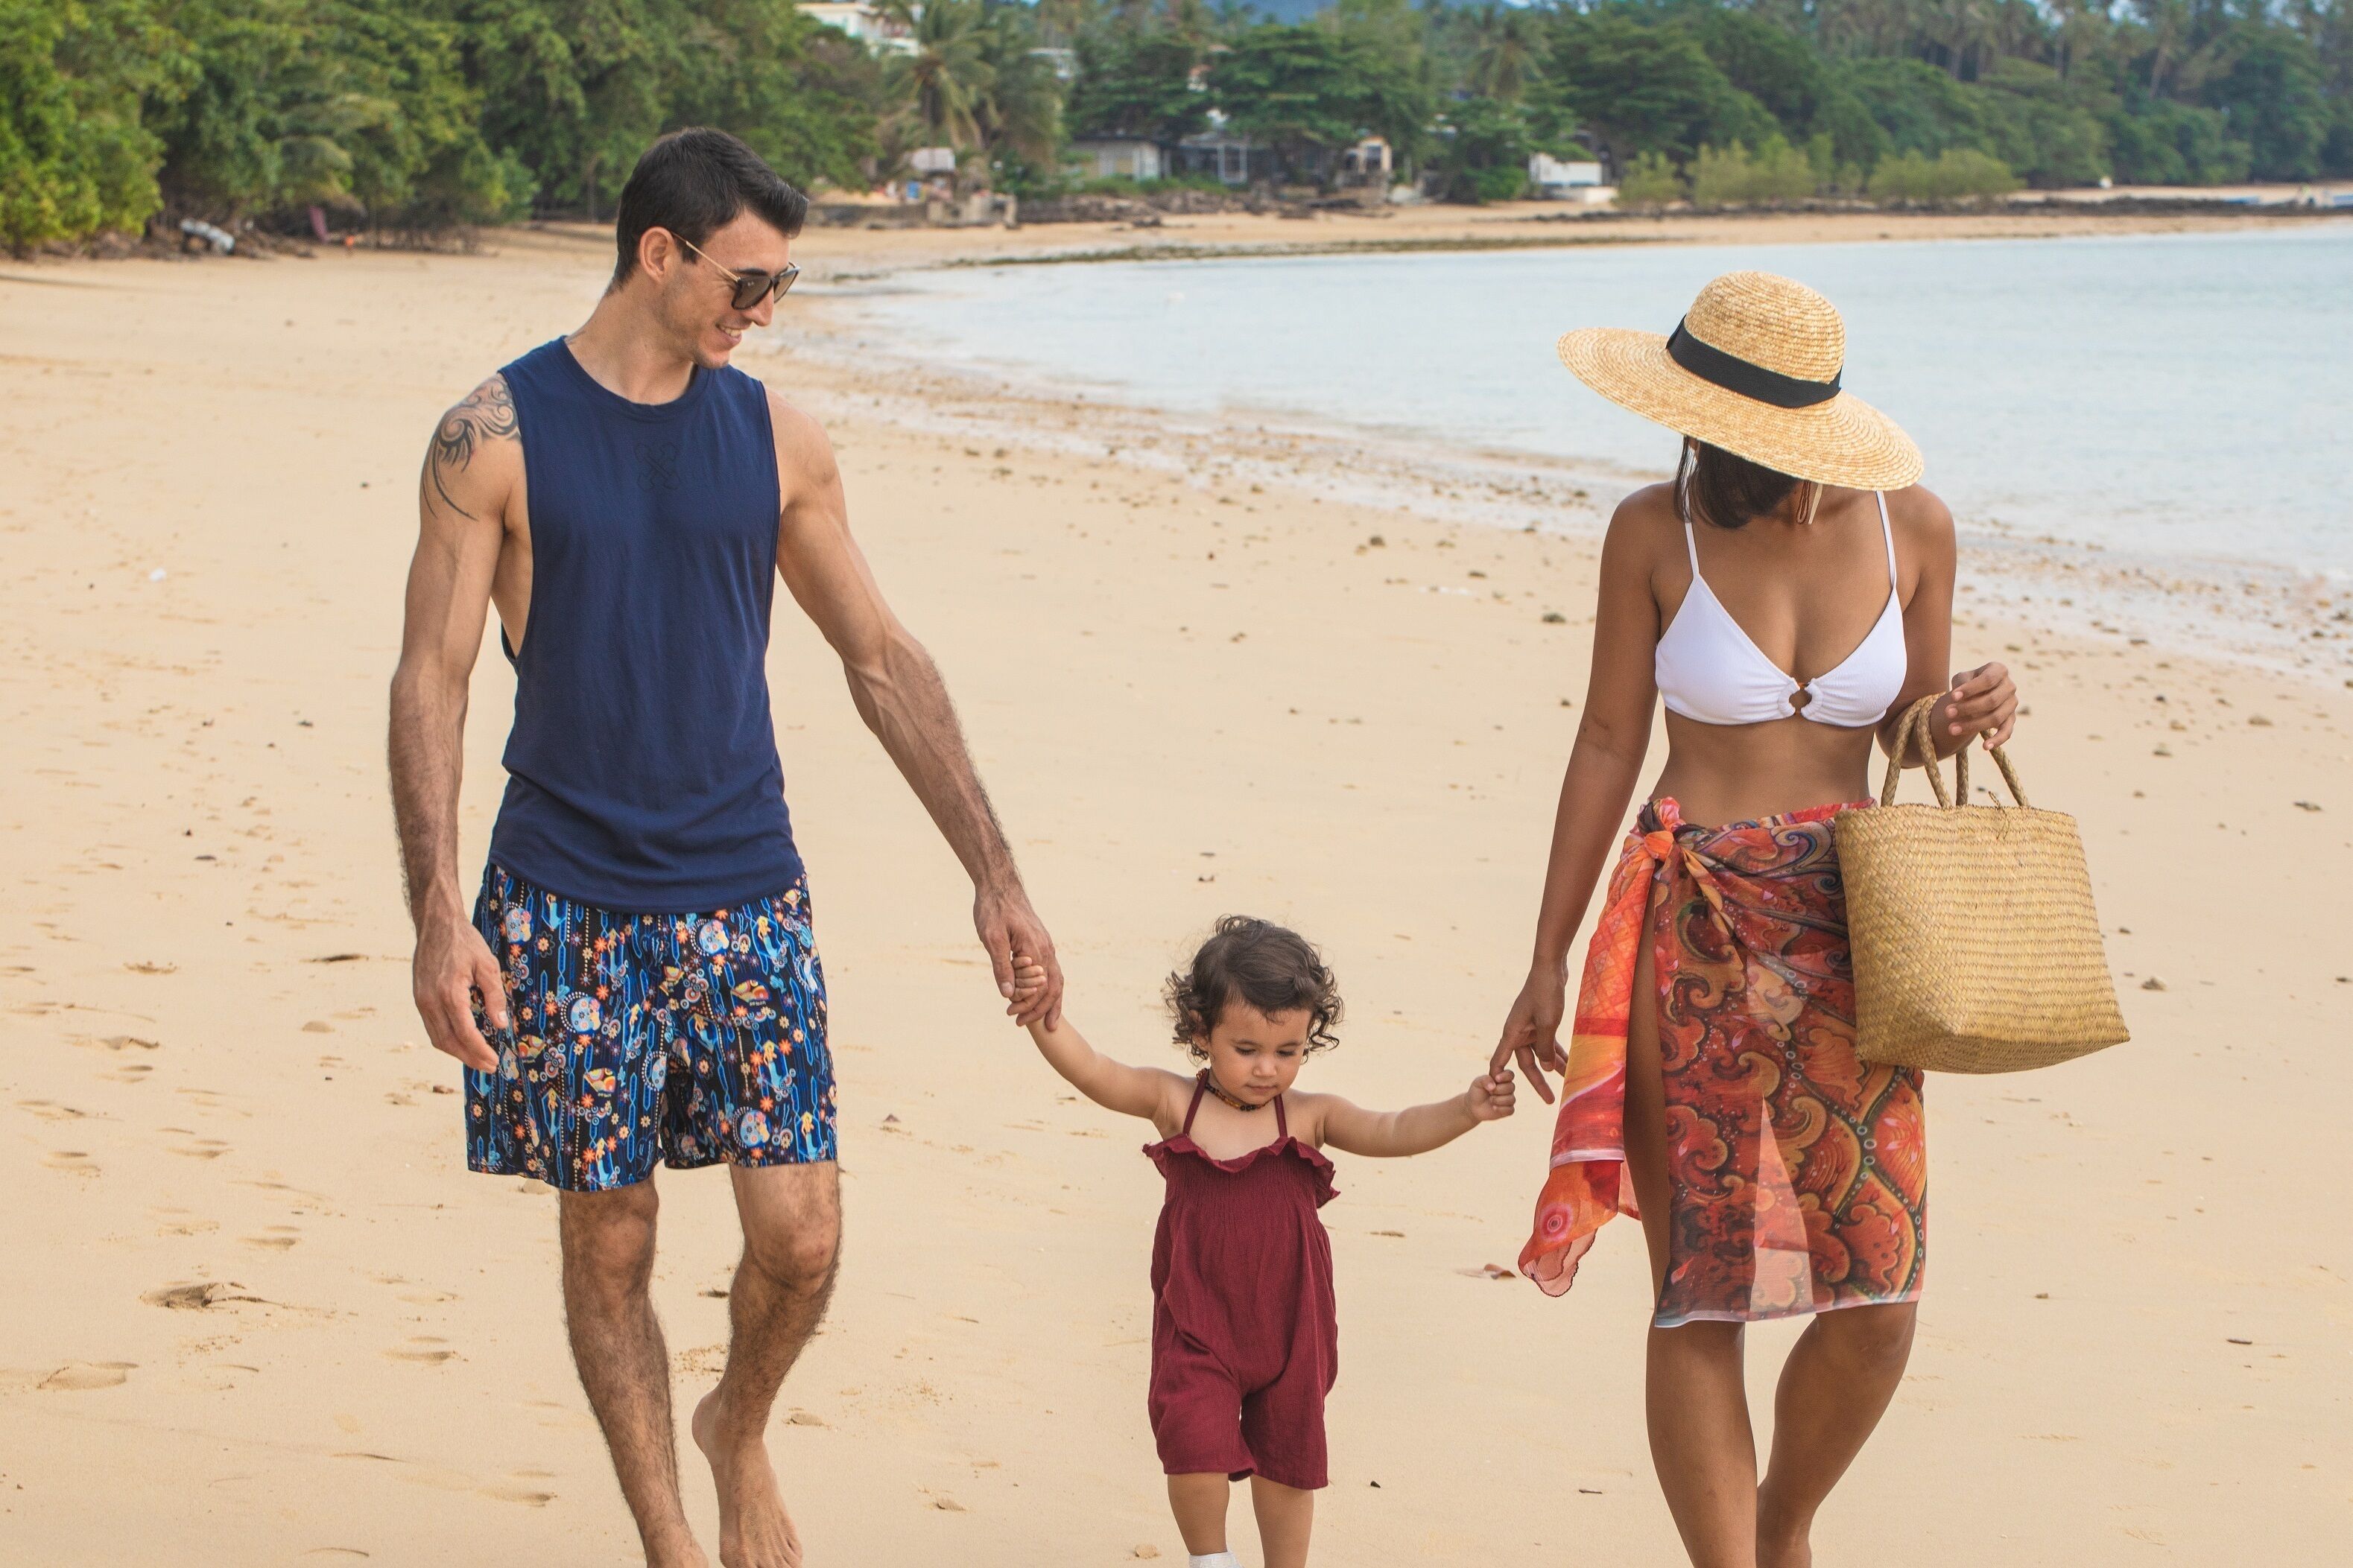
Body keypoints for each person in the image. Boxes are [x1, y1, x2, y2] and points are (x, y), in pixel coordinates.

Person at [386, 127, 1063, 1568]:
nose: (763, 314)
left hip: (745, 887)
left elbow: (878, 658)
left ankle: (735, 1426)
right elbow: (430, 679)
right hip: (562, 900)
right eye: (748, 284)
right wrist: (438, 912)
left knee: (802, 1238)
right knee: (611, 1236)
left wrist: (994, 876)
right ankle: (668, 1542)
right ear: (660, 253)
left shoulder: (774, 440)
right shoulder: (490, 438)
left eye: (780, 288)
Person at [1489, 272, 2018, 1568]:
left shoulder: (1914, 526)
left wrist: (1957, 715)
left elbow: (1905, 733)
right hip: (1689, 924)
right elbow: (1607, 739)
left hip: (1852, 928)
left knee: (1878, 1291)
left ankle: (1781, 1524)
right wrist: (1545, 955)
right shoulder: (1650, 529)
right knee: (1700, 1292)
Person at [1007, 918, 1515, 1568]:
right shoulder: (1174, 1102)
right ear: (1201, 1031)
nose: (1267, 1068)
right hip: (1198, 1321)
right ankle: (1211, 1559)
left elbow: (1392, 1128)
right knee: (1192, 1445)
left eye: (1288, 1050)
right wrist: (1041, 1008)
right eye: (1246, 1048)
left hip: (1292, 1326)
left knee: (1289, 1464)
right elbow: (1094, 1069)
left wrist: (1465, 1110)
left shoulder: (1307, 1115)